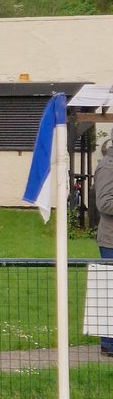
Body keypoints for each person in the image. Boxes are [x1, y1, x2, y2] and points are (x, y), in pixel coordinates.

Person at [92, 138, 113, 355]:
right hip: (110, 241)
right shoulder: (107, 166)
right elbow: (104, 203)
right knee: (109, 292)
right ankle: (109, 344)